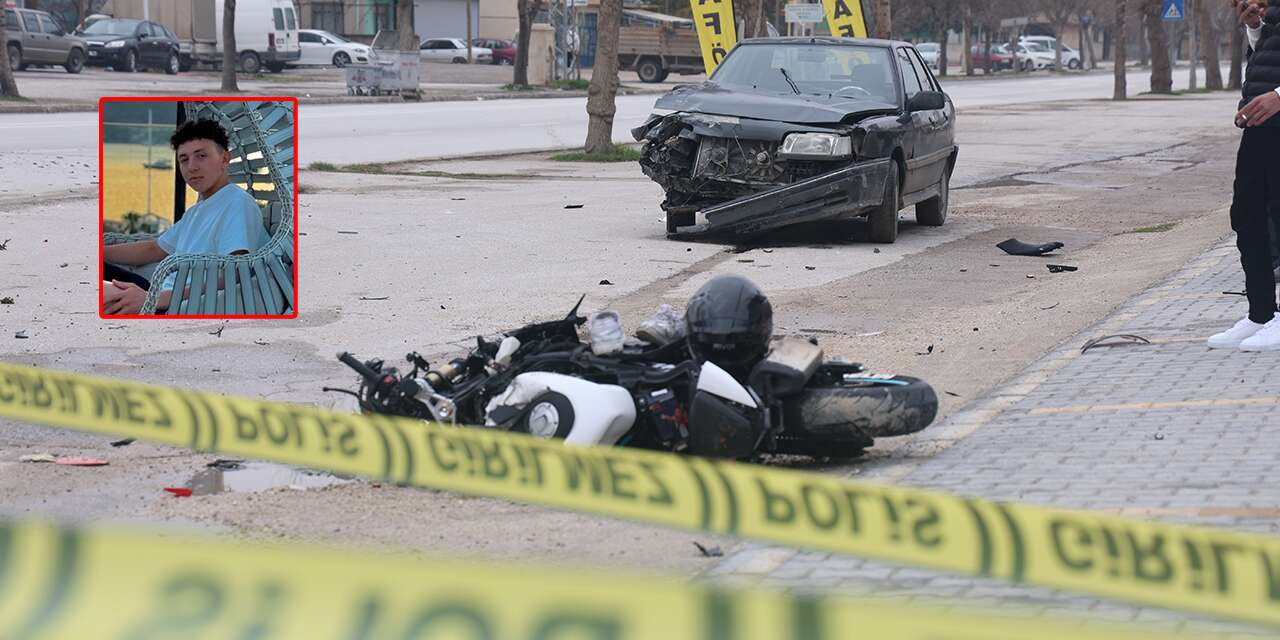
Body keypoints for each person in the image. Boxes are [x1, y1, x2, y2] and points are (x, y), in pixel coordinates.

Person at [102, 118, 271, 315]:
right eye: (184, 159)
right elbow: (155, 248)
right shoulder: (198, 210)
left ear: (225, 159)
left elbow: (233, 273)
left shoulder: (237, 203)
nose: (191, 167)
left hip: (178, 305)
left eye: (201, 156)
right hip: (158, 293)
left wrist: (153, 299)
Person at [1208, 0, 1280, 350]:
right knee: (1248, 217)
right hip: (1260, 126)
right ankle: (1262, 314)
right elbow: (1269, 59)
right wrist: (1255, 29)